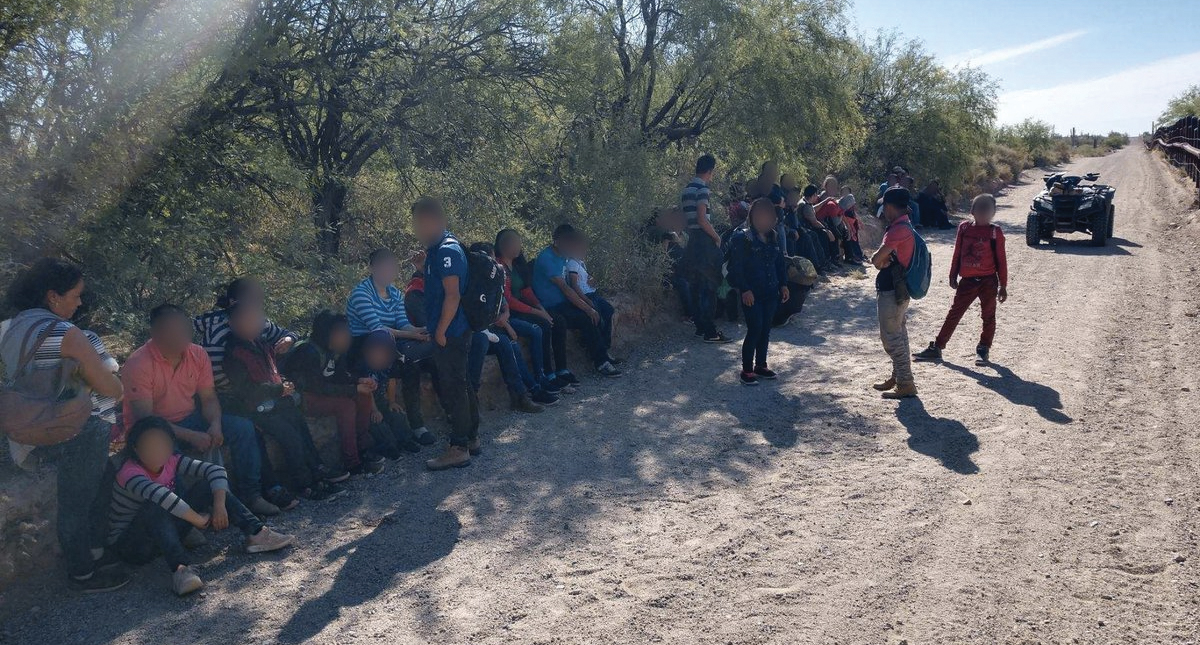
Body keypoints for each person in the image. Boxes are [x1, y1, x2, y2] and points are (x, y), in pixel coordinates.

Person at [1, 258, 129, 592]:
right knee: (77, 499)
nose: (80, 302)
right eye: (75, 295)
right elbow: (110, 389)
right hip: (74, 428)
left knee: (100, 483)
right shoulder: (67, 334)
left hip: (32, 425)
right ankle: (83, 573)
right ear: (53, 297)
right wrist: (114, 379)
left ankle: (95, 553)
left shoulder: (12, 327)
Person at [122, 304, 288, 516]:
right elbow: (145, 419)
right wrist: (191, 436)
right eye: (170, 331)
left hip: (189, 418)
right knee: (164, 456)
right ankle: (185, 519)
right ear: (154, 333)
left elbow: (208, 398)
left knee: (243, 429)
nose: (178, 336)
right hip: (151, 429)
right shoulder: (139, 363)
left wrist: (215, 424)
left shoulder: (197, 354)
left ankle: (252, 495)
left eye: (183, 329)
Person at [106, 417, 293, 596]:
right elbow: (163, 498)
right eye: (149, 445)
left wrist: (219, 505)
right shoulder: (129, 473)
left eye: (162, 444)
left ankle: (256, 533)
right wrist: (198, 519)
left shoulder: (171, 460)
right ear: (136, 449)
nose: (157, 450)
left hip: (160, 533)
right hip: (132, 545)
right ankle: (181, 569)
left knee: (206, 487)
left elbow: (215, 470)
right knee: (153, 506)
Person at [222, 302, 350, 498]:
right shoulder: (233, 353)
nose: (256, 323)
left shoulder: (261, 343)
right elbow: (246, 390)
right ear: (233, 323)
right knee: (289, 438)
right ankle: (305, 484)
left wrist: (283, 385)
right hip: (256, 410)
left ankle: (318, 471)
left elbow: (274, 369)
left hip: (277, 401)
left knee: (301, 428)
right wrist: (278, 389)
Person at [412, 196, 481, 471]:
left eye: (422, 222)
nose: (418, 228)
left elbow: (452, 296)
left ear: (437, 221)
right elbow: (439, 287)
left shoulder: (447, 251)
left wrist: (439, 331)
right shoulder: (436, 250)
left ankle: (458, 446)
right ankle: (471, 438)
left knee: (454, 388)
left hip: (452, 332)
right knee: (461, 384)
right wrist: (421, 268)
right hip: (452, 330)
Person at [345, 249, 437, 450]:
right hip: (364, 348)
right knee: (391, 344)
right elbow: (376, 327)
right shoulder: (361, 293)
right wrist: (412, 336)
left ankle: (417, 425)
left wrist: (420, 331)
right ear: (372, 268)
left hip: (391, 344)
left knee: (412, 362)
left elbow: (403, 324)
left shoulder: (395, 293)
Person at [913, 194, 1009, 365]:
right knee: (954, 314)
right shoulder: (964, 228)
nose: (983, 211)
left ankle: (983, 349)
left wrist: (1003, 285)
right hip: (968, 281)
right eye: (980, 207)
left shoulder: (995, 232)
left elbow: (1001, 260)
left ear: (993, 212)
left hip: (988, 281)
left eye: (987, 208)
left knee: (988, 316)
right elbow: (957, 252)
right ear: (972, 210)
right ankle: (937, 347)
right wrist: (952, 274)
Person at [532, 224, 623, 375]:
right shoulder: (547, 258)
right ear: (557, 241)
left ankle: (602, 353)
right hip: (552, 306)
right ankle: (601, 362)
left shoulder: (563, 257)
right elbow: (566, 289)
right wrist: (587, 308)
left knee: (600, 311)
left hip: (563, 302)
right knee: (588, 317)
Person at [493, 230, 573, 394]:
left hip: (522, 308)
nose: (518, 246)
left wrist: (541, 308)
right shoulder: (500, 267)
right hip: (511, 312)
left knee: (557, 321)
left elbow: (526, 291)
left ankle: (559, 370)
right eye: (513, 242)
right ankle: (543, 375)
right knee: (542, 326)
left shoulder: (516, 266)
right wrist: (538, 313)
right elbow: (508, 298)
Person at [727, 199, 790, 386]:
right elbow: (735, 268)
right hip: (751, 294)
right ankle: (747, 369)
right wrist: (745, 289)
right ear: (752, 217)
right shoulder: (742, 238)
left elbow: (779, 263)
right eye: (759, 215)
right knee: (755, 329)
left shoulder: (773, 237)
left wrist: (784, 284)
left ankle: (761, 365)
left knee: (765, 329)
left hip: (770, 292)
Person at [194, 278, 297, 391]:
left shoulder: (261, 322)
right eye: (252, 300)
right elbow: (215, 377)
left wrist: (289, 339)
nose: (257, 304)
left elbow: (287, 334)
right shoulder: (217, 331)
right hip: (228, 395)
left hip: (265, 387)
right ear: (233, 303)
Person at [872, 187, 920, 399]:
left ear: (890, 207)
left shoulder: (897, 230)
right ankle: (898, 376)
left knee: (891, 338)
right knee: (899, 335)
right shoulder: (906, 225)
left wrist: (879, 259)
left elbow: (876, 260)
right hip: (898, 290)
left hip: (892, 290)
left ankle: (905, 383)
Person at [679, 154, 732, 343]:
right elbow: (702, 219)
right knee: (710, 286)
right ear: (710, 171)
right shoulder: (702, 189)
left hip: (692, 240)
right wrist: (716, 237)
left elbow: (688, 220)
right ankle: (710, 332)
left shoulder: (686, 190)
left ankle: (701, 327)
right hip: (704, 241)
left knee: (695, 286)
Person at [355, 330, 424, 455]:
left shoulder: (390, 362)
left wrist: (392, 402)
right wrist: (374, 410)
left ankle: (405, 440)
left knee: (397, 416)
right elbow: (366, 391)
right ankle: (388, 446)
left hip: (380, 397)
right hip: (365, 401)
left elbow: (391, 381)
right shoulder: (362, 365)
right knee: (377, 422)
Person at [564, 234, 620, 366]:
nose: (584, 251)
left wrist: (592, 280)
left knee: (608, 311)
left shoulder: (580, 262)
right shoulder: (571, 263)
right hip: (587, 296)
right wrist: (586, 301)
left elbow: (585, 280)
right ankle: (599, 351)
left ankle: (605, 349)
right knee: (598, 320)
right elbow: (574, 285)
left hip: (593, 293)